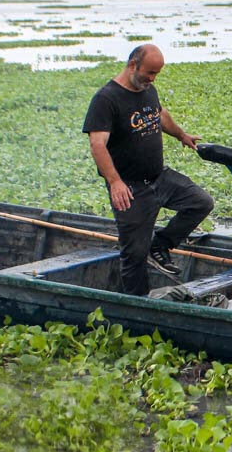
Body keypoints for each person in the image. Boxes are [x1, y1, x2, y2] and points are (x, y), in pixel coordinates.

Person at [83, 44, 213, 295]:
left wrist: (181, 135)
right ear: (132, 65)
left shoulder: (147, 89)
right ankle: (138, 305)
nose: (152, 79)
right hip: (130, 188)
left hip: (159, 177)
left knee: (201, 202)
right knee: (134, 255)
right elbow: (97, 145)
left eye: (156, 74)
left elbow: (159, 114)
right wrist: (115, 182)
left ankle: (160, 246)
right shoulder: (106, 99)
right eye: (149, 73)